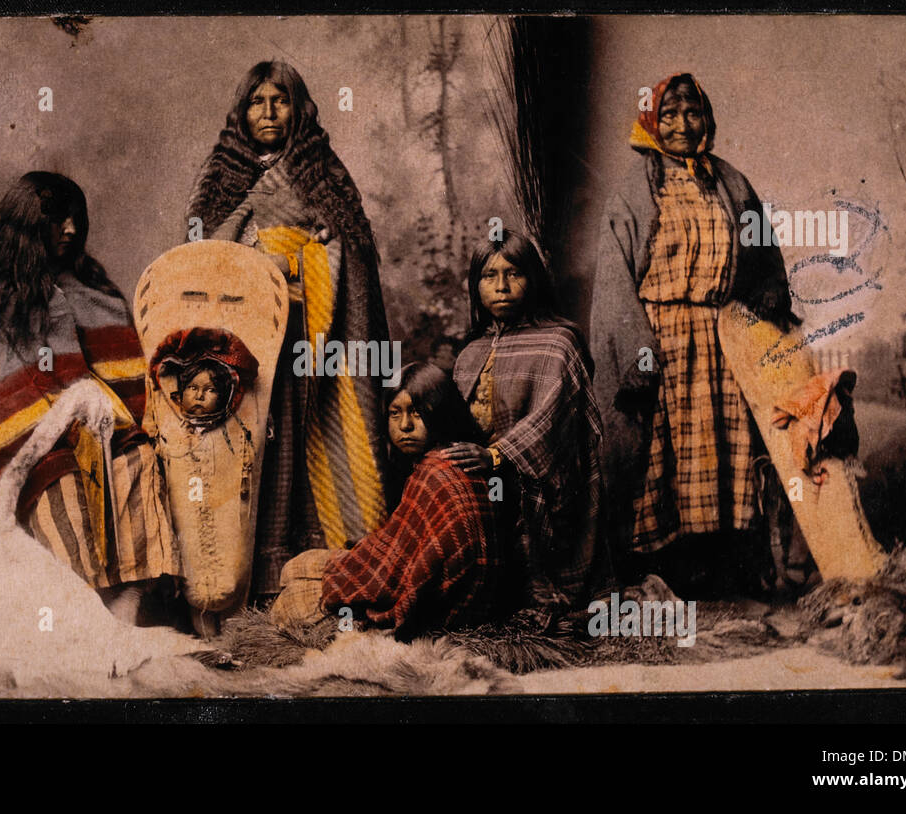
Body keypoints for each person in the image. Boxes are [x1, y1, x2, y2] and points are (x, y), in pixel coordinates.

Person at [0, 172, 174, 622]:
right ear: (25, 224)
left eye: (77, 219)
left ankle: (127, 609)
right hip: (24, 445)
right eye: (57, 219)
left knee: (137, 462)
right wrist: (57, 419)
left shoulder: (90, 288)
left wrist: (108, 416)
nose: (71, 230)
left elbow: (123, 373)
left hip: (100, 429)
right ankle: (76, 615)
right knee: (59, 481)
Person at [186, 60, 391, 598]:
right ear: (241, 110)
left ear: (299, 108)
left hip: (308, 338)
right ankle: (234, 583)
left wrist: (303, 265)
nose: (269, 112)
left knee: (300, 442)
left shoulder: (322, 169)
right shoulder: (219, 175)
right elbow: (195, 258)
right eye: (257, 101)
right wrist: (254, 266)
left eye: (281, 100)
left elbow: (354, 252)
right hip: (240, 339)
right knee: (246, 446)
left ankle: (307, 579)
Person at [589, 73, 797, 596]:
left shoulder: (732, 183)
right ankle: (671, 574)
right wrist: (639, 354)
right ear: (652, 123)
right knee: (665, 457)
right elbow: (615, 283)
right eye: (670, 115)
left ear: (707, 119)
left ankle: (727, 570)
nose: (682, 125)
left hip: (725, 338)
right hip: (660, 340)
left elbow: (764, 256)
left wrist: (768, 293)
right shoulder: (635, 191)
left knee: (729, 455)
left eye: (693, 113)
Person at [446, 230, 612, 612]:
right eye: (489, 276)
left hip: (541, 487)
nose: (501, 286)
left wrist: (497, 456)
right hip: (482, 477)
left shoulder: (559, 343)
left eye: (514, 273)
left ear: (533, 279)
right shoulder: (469, 353)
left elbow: (554, 422)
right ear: (475, 286)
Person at [310, 363, 499, 640]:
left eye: (418, 412)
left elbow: (396, 565)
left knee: (311, 574)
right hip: (470, 607)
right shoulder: (447, 461)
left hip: (445, 613)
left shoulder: (437, 471)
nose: (405, 426)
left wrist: (344, 566)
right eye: (394, 414)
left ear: (442, 413)